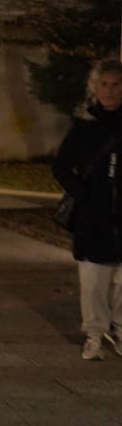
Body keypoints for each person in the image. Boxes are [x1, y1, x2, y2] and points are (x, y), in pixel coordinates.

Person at [52, 58, 122, 360]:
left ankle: (120, 331)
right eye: (103, 84)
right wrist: (85, 195)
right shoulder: (84, 126)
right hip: (94, 218)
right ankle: (94, 334)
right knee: (93, 282)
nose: (109, 90)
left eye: (116, 84)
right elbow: (61, 167)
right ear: (95, 87)